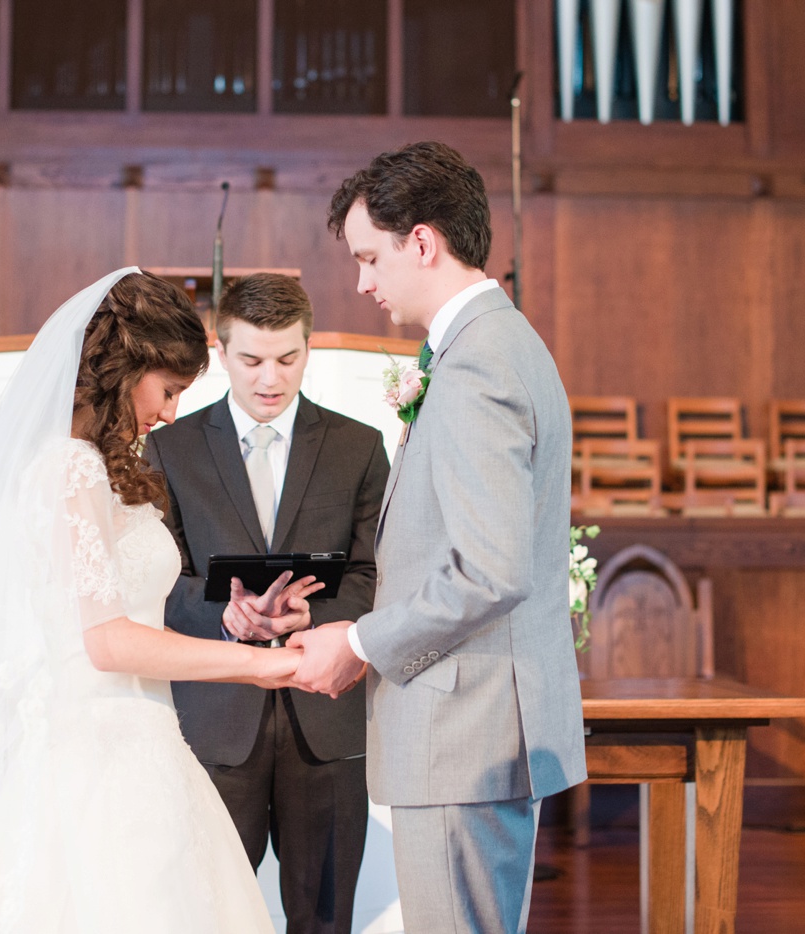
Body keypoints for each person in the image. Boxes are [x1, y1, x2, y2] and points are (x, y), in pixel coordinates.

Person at [0, 268, 324, 934]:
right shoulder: (68, 467)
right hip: (94, 758)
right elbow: (107, 641)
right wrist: (266, 666)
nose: (171, 411)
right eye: (168, 390)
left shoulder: (99, 467)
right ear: (125, 368)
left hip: (142, 743)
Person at [286, 142, 588, 933]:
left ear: (422, 241)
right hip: (473, 728)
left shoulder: (478, 362)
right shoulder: (493, 344)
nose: (362, 283)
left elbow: (488, 571)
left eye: (370, 258)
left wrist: (360, 641)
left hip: (463, 731)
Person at [144, 273, 389, 934]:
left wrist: (324, 614)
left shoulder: (359, 447)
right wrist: (222, 613)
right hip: (216, 723)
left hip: (326, 720)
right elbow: (157, 578)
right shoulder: (168, 448)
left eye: (289, 358)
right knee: (208, 916)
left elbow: (377, 572)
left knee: (325, 919)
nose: (270, 378)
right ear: (219, 352)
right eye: (251, 359)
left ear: (309, 349)